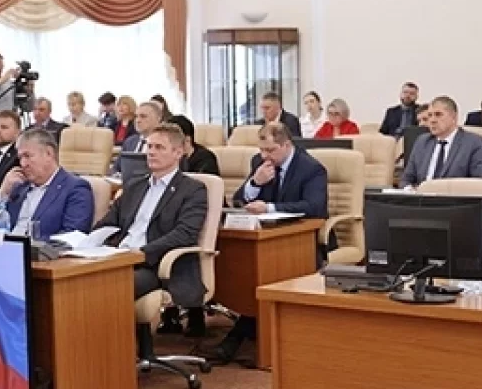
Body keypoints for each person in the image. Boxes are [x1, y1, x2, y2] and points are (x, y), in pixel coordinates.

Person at [213, 122, 328, 363]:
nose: (265, 156)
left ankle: (243, 336)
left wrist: (270, 207)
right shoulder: (259, 162)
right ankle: (249, 326)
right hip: (265, 238)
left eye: (271, 150)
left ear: (286, 145)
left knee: (264, 276)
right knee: (248, 270)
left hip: (301, 241)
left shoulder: (311, 168)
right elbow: (238, 199)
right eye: (261, 150)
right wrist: (255, 183)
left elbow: (315, 207)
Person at [94, 123, 210, 342]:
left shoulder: (192, 189)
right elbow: (108, 223)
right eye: (149, 146)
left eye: (159, 147)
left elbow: (184, 234)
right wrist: (89, 242)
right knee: (79, 282)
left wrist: (141, 252)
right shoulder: (134, 186)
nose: (151, 152)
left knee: (109, 288)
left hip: (155, 264)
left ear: (178, 153)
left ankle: (115, 351)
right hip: (120, 258)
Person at [0, 127, 94, 238]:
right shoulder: (19, 186)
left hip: (39, 248)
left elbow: (72, 235)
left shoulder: (75, 188)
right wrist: (2, 192)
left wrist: (31, 245)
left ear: (49, 153)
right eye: (20, 158)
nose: (23, 164)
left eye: (27, 156)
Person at [400, 96, 482, 188]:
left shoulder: (474, 143)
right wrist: (409, 189)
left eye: (438, 114)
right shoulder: (422, 142)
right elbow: (406, 179)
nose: (432, 120)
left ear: (454, 117)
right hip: (421, 196)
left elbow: (478, 185)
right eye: (430, 115)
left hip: (454, 196)